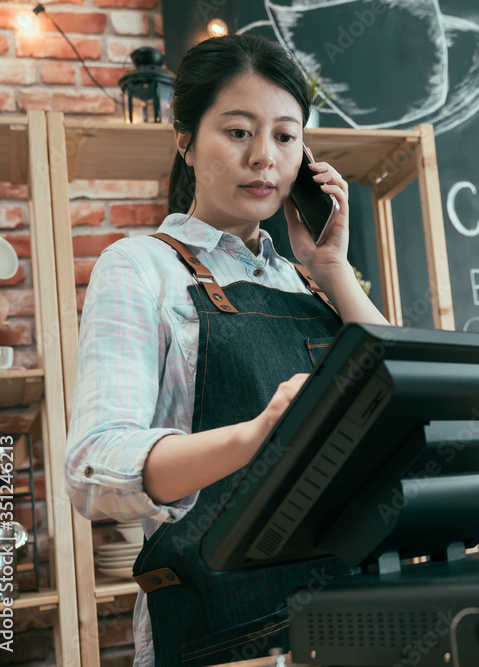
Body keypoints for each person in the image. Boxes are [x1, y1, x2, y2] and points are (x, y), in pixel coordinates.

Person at [65, 34, 389, 666]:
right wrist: (254, 437)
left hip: (348, 619)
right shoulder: (139, 268)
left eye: (286, 136)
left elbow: (401, 390)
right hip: (220, 632)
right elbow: (92, 469)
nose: (264, 158)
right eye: (239, 132)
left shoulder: (308, 280)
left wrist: (332, 267)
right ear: (184, 140)